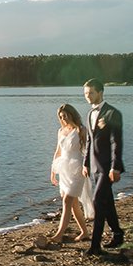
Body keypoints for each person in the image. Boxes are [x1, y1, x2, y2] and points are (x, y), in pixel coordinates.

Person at [81, 78, 125, 255]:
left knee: (98, 201)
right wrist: (85, 163)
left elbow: (116, 142)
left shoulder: (113, 113)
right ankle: (118, 233)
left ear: (100, 92)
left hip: (108, 167)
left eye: (91, 93)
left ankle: (95, 245)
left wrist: (115, 167)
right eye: (85, 93)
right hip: (94, 166)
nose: (88, 96)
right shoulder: (90, 114)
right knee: (106, 202)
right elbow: (90, 141)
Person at [48, 103, 92, 243]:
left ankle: (59, 234)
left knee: (67, 200)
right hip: (64, 168)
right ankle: (85, 232)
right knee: (73, 204)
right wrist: (53, 171)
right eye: (61, 117)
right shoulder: (61, 131)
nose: (63, 119)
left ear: (72, 114)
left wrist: (87, 166)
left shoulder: (81, 130)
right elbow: (58, 151)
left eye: (65, 116)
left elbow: (89, 150)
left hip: (78, 168)